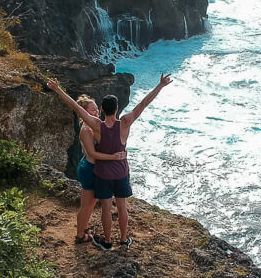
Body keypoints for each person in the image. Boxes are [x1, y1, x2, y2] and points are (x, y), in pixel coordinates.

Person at [47, 74, 171, 250]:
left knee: (106, 208)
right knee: (122, 207)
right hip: (121, 172)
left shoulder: (97, 125)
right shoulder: (126, 122)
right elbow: (143, 104)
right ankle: (123, 240)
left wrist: (58, 89)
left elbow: (75, 107)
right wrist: (160, 86)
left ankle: (106, 242)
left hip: (103, 174)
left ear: (103, 110)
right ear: (117, 108)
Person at [45, 80, 128, 244]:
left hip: (97, 168)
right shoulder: (86, 128)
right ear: (85, 111)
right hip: (90, 168)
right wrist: (58, 90)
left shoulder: (96, 125)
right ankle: (80, 235)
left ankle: (85, 227)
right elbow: (93, 153)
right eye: (92, 109)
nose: (96, 111)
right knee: (87, 205)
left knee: (92, 203)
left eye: (97, 108)